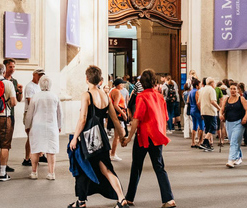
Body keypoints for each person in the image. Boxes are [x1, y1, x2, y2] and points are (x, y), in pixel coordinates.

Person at [68, 65, 127, 208]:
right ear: (100, 79)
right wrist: (122, 136)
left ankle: (81, 202)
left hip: (88, 138)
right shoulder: (105, 96)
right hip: (101, 138)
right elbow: (114, 118)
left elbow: (82, 119)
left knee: (83, 167)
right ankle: (121, 199)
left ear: (87, 78)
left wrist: (75, 137)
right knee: (106, 168)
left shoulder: (86, 95)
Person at [122, 68, 176, 208]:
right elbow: (164, 118)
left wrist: (128, 138)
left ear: (141, 82)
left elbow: (136, 119)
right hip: (157, 136)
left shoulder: (141, 96)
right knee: (159, 167)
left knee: (136, 167)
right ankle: (169, 199)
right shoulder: (159, 96)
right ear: (154, 81)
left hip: (144, 137)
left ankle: (129, 198)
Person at [25, 75, 61, 180]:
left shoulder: (35, 97)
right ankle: (51, 173)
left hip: (37, 126)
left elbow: (29, 113)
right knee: (51, 150)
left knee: (35, 149)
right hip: (51, 125)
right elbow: (60, 113)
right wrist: (59, 126)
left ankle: (34, 172)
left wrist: (27, 125)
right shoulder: (55, 96)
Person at [0, 58, 23, 174]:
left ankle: (3, 164)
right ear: (5, 67)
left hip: (11, 115)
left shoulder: (14, 82)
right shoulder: (0, 80)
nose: (13, 69)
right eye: (11, 67)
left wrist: (20, 91)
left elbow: (18, 100)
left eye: (14, 67)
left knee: (6, 141)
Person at [219, 82, 247, 168]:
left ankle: (231, 160)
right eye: (231, 89)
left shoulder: (241, 99)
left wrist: (245, 118)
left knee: (234, 141)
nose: (232, 91)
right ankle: (238, 156)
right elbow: (222, 109)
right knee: (233, 141)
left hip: (239, 123)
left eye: (234, 89)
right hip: (229, 122)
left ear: (238, 90)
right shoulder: (226, 99)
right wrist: (220, 115)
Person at [22, 69, 44, 167]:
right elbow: (31, 101)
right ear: (34, 75)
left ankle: (40, 154)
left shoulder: (39, 86)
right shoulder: (30, 86)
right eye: (39, 75)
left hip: (37, 113)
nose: (40, 77)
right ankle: (27, 158)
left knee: (39, 135)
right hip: (30, 114)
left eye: (42, 75)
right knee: (31, 136)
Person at [197, 77, 220, 151]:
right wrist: (219, 108)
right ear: (212, 83)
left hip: (204, 111)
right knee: (213, 127)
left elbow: (198, 102)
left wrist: (201, 111)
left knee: (207, 127)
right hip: (211, 111)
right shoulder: (211, 90)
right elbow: (213, 101)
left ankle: (208, 145)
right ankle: (205, 142)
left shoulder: (202, 90)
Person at [109, 78, 129, 161]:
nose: (123, 85)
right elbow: (116, 105)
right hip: (118, 115)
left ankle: (112, 153)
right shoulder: (117, 92)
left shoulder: (112, 91)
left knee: (118, 135)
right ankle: (112, 154)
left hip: (115, 114)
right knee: (119, 135)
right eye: (122, 84)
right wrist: (124, 114)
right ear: (119, 85)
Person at [187, 78, 204, 148]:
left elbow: (188, 101)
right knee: (202, 126)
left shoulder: (190, 91)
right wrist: (201, 111)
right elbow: (198, 102)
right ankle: (200, 142)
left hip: (192, 110)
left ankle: (193, 142)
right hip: (197, 110)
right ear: (197, 85)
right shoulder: (197, 92)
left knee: (194, 126)